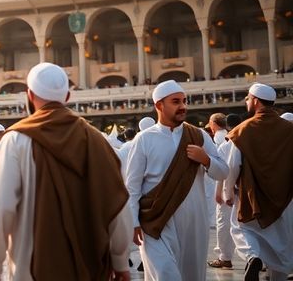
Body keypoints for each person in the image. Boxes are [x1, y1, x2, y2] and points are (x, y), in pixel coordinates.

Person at [0, 62, 132, 281]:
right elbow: (117, 205)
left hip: (30, 270)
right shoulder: (97, 140)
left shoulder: (16, 141)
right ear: (67, 96)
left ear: (29, 95)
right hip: (91, 268)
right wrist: (120, 262)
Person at [125, 80, 228, 280]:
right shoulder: (144, 139)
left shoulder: (198, 136)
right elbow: (132, 185)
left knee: (192, 275)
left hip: (193, 222)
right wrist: (133, 221)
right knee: (165, 274)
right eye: (175, 101)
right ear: (159, 105)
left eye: (184, 101)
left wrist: (206, 160)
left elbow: (223, 172)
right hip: (156, 220)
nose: (182, 106)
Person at [223, 83, 293, 280]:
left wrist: (228, 193)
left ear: (255, 100)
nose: (247, 101)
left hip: (251, 197)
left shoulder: (243, 129)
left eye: (248, 98)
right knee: (280, 242)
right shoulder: (290, 129)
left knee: (242, 229)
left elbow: (233, 166)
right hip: (285, 197)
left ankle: (253, 256)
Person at [208, 113, 242, 270]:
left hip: (228, 187)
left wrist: (220, 192)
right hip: (246, 189)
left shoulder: (223, 141)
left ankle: (225, 257)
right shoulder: (248, 140)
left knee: (224, 222)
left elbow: (225, 168)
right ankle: (255, 257)